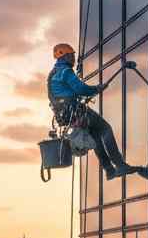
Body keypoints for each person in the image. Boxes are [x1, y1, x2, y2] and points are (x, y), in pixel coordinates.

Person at [48, 43, 140, 178]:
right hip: (75, 111)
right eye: (71, 56)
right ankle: (120, 165)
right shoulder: (65, 72)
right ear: (64, 56)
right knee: (105, 128)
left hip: (65, 114)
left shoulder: (53, 73)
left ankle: (109, 169)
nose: (73, 59)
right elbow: (81, 89)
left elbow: (66, 91)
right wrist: (96, 88)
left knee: (96, 135)